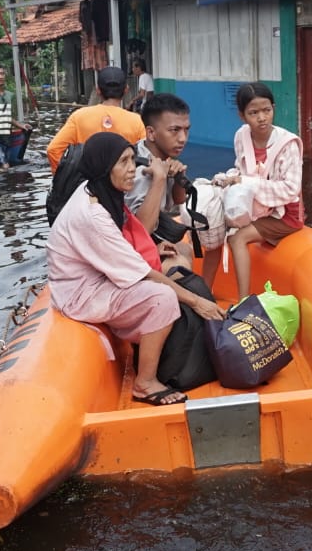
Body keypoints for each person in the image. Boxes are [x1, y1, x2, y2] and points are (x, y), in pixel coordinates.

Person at [46, 132, 224, 406]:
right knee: (162, 297)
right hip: (81, 293)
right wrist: (197, 302)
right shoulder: (92, 214)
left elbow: (129, 238)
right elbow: (141, 274)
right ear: (104, 167)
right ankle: (145, 382)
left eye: (132, 159)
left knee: (172, 272)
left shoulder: (98, 191)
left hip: (96, 276)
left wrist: (154, 250)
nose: (134, 169)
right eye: (123, 162)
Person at [222, 82, 305, 301]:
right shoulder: (241, 137)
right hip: (256, 209)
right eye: (254, 112)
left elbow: (291, 189)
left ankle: (243, 300)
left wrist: (247, 183)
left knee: (237, 239)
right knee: (214, 224)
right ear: (242, 115)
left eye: (266, 110)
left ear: (273, 108)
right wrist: (230, 179)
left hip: (285, 215)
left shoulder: (288, 144)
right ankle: (207, 291)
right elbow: (241, 169)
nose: (262, 118)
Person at [126, 93, 204, 273]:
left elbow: (178, 200)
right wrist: (160, 178)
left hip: (139, 242)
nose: (183, 138)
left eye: (186, 129)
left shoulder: (155, 154)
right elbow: (142, 230)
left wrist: (178, 178)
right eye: (174, 130)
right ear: (151, 133)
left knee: (184, 249)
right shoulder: (137, 170)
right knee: (177, 266)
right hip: (125, 251)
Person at [45, 66, 145, 172]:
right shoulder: (137, 121)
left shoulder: (79, 117)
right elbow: (147, 155)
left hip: (87, 183)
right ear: (126, 90)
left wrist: (66, 179)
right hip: (124, 183)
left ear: (98, 91)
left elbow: (53, 150)